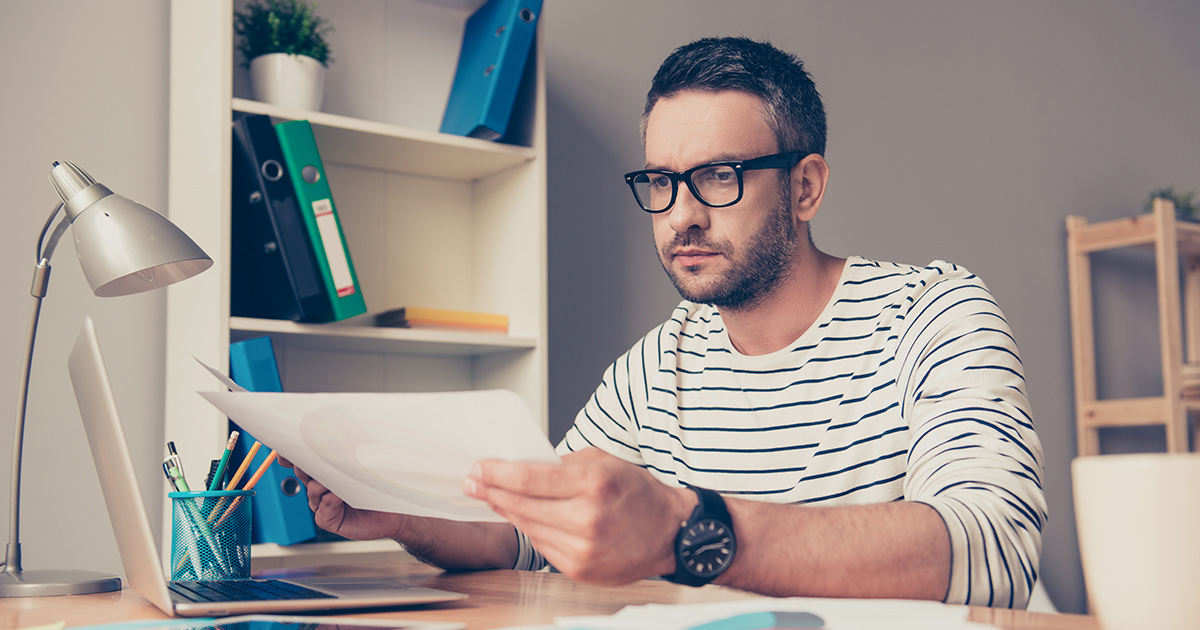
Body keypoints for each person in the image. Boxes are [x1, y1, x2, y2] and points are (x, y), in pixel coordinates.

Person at [284, 36, 1046, 609]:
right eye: (660, 181)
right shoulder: (655, 367)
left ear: (805, 186)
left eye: (719, 176)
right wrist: (401, 514)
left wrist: (685, 530)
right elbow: (530, 539)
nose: (681, 215)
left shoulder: (935, 314)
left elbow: (995, 549)